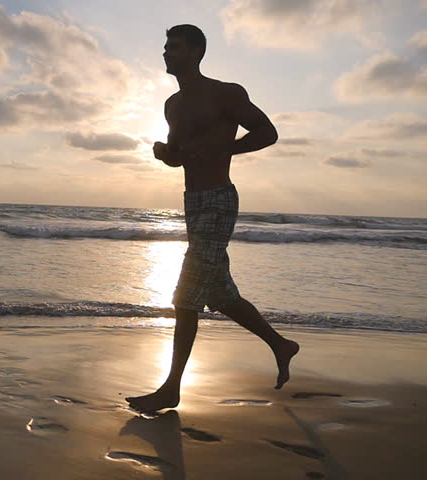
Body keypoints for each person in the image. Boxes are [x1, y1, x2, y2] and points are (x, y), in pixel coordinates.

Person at [126, 24, 300, 413]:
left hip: (220, 200)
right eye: (165, 47)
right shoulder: (172, 105)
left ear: (196, 53)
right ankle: (281, 344)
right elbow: (178, 155)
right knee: (220, 294)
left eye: (174, 47)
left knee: (186, 295)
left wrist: (227, 148)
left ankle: (171, 388)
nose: (166, 53)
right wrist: (163, 155)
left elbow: (267, 132)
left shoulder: (225, 93)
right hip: (193, 202)